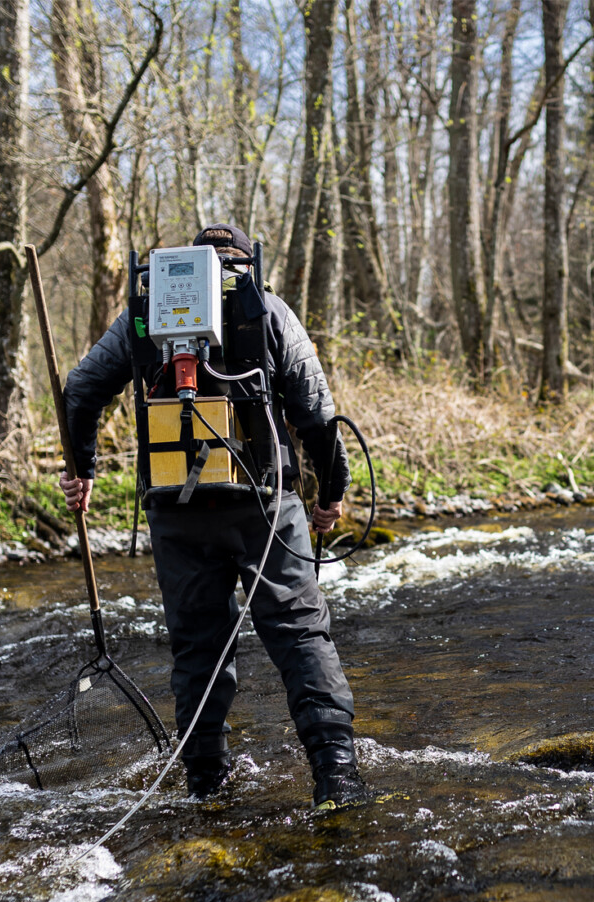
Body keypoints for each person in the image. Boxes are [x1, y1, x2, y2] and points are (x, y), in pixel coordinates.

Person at [57, 223, 366, 808]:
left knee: (199, 648)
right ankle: (338, 778)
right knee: (300, 634)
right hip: (265, 504)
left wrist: (85, 469)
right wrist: (331, 493)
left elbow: (80, 389)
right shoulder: (268, 309)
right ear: (246, 263)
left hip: (176, 509)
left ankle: (206, 786)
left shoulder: (144, 313)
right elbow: (317, 415)